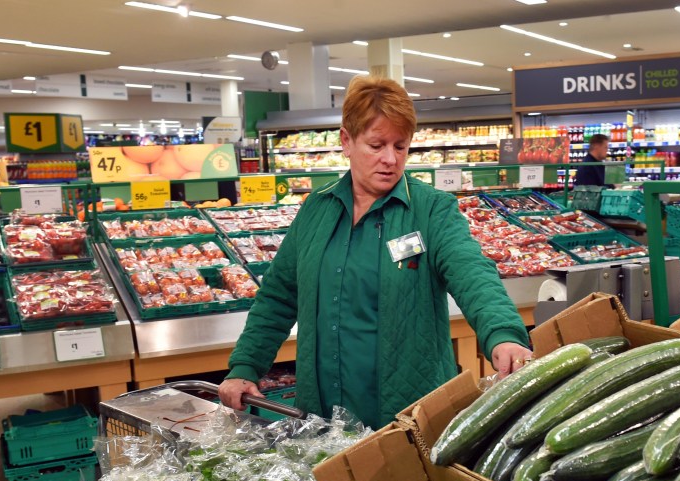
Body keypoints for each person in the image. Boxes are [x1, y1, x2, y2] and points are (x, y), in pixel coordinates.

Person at [217, 75, 532, 430]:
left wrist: (503, 335)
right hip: (322, 418)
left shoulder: (431, 211)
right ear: (346, 141)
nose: (390, 159)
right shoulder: (317, 210)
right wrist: (246, 365)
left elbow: (472, 272)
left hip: (409, 419)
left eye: (400, 146)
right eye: (377, 144)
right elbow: (278, 295)